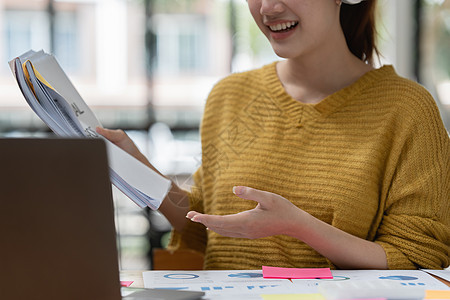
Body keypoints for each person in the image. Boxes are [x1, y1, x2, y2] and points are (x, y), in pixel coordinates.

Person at [97, 0, 450, 270]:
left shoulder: (406, 110)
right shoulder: (230, 95)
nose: (267, 8)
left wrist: (299, 227)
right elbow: (205, 225)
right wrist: (139, 172)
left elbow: (418, 258)